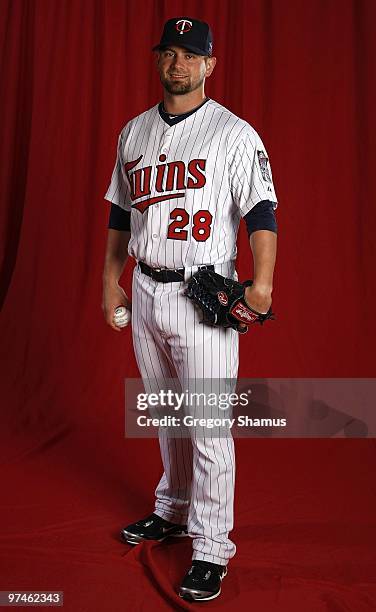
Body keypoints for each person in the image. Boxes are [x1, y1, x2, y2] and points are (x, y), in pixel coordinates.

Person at [102, 17, 278, 603]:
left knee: (206, 428)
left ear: (209, 64)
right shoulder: (134, 133)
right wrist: (110, 281)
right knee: (168, 417)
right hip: (146, 291)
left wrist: (263, 284)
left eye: (189, 54)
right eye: (168, 53)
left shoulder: (235, 134)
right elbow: (120, 216)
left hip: (202, 296)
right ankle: (173, 511)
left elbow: (261, 214)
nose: (176, 64)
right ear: (159, 61)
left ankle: (210, 548)